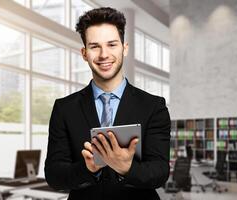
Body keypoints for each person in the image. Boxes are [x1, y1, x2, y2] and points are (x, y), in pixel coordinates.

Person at [44, 7, 171, 200]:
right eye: (95, 46)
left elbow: (160, 172)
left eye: (112, 44)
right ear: (84, 53)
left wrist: (126, 167)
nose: (104, 54)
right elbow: (54, 175)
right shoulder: (64, 108)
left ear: (124, 48)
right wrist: (88, 168)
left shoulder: (153, 106)